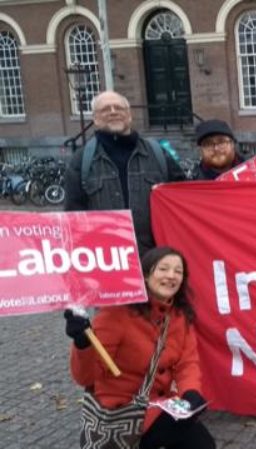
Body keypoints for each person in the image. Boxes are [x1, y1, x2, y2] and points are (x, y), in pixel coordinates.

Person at [64, 246, 216, 448]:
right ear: (145, 275)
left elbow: (187, 363)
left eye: (178, 271)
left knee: (201, 442)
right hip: (121, 408)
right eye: (163, 269)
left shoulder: (179, 315)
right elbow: (85, 377)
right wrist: (82, 343)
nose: (171, 275)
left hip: (158, 404)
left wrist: (190, 392)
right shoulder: (116, 313)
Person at [63, 91, 186, 255]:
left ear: (129, 115)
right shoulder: (81, 160)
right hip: (107, 259)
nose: (113, 112)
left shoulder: (157, 154)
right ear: (95, 119)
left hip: (154, 259)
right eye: (106, 109)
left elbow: (182, 200)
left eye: (119, 108)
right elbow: (73, 215)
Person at [191, 119, 256, 180]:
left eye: (221, 142)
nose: (216, 148)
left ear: (232, 143)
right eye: (208, 144)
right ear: (201, 149)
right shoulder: (194, 183)